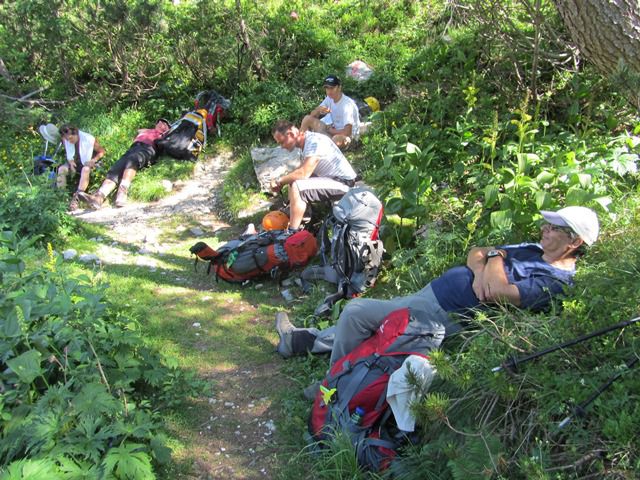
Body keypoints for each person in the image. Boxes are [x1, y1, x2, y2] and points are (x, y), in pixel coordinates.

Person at [275, 206, 600, 366]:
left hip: (445, 313)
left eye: (554, 227)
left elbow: (499, 292)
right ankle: (301, 341)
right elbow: (476, 252)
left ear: (574, 241)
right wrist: (481, 269)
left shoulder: (555, 281)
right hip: (435, 295)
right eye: (547, 223)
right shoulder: (533, 249)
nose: (544, 228)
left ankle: (332, 383)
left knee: (358, 313)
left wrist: (496, 256)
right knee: (373, 323)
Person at [271, 120, 357, 231]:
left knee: (298, 186)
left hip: (344, 183)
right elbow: (300, 171)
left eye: (282, 142)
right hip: (331, 180)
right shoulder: (306, 143)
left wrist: (280, 181)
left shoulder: (314, 142)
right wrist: (286, 181)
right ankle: (299, 217)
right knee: (293, 181)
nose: (282, 147)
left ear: (290, 134)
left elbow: (304, 173)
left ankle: (292, 232)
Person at [78, 118, 171, 209]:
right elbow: (139, 131)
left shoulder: (165, 134)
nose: (160, 123)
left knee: (133, 160)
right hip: (133, 148)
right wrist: (149, 131)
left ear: (167, 127)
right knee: (115, 169)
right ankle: (98, 197)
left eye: (164, 123)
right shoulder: (147, 131)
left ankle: (122, 193)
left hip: (148, 149)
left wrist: (166, 132)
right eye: (159, 122)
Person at [300, 75, 360, 149]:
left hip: (347, 138)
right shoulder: (329, 99)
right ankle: (301, 148)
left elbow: (347, 132)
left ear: (339, 87)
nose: (329, 91)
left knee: (335, 139)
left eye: (332, 88)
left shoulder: (347, 105)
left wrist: (331, 130)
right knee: (307, 119)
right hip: (333, 132)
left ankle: (322, 151)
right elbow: (312, 115)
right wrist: (318, 110)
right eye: (327, 88)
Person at [57, 125, 105, 211]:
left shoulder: (89, 139)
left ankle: (77, 198)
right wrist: (71, 162)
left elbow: (101, 151)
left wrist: (93, 160)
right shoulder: (66, 140)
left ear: (76, 134)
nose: (69, 141)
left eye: (71, 138)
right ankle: (62, 197)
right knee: (61, 169)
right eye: (67, 139)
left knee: (85, 169)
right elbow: (69, 155)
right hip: (75, 163)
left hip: (89, 162)